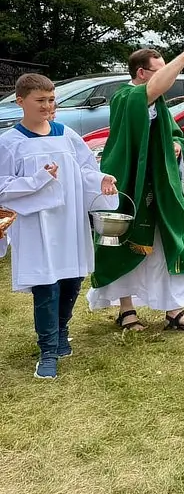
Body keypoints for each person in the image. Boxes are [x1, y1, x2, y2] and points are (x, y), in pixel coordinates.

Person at [86, 38, 184, 332]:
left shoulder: (160, 104)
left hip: (161, 187)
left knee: (167, 244)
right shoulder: (125, 97)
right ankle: (126, 311)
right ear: (141, 73)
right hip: (130, 183)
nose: (166, 75)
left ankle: (174, 310)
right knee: (124, 246)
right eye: (159, 70)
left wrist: (177, 144)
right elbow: (152, 92)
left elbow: (174, 132)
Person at [0, 73, 117, 380]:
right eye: (40, 100)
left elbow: (84, 169)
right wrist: (39, 179)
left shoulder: (66, 134)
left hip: (69, 219)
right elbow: (2, 187)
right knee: (46, 286)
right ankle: (48, 351)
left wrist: (101, 179)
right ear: (20, 101)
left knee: (71, 280)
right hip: (36, 225)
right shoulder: (10, 143)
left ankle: (62, 332)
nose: (48, 106)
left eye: (51, 100)